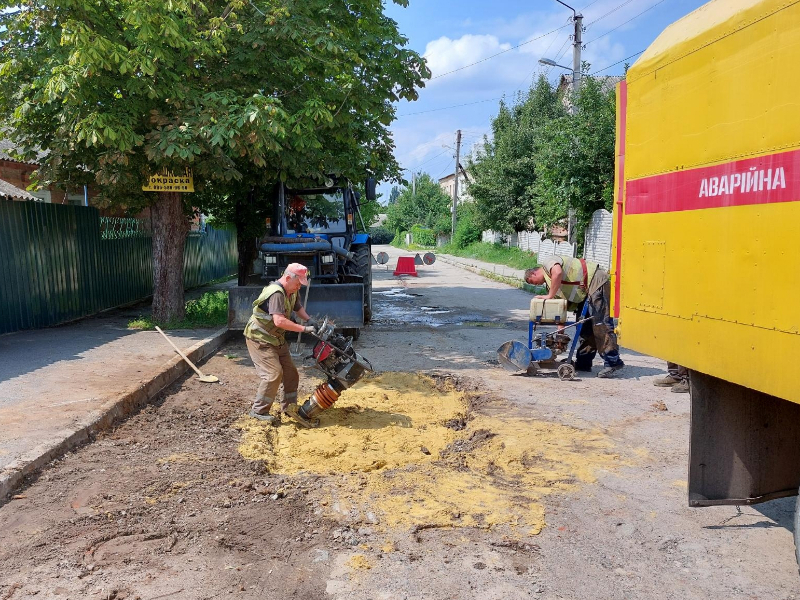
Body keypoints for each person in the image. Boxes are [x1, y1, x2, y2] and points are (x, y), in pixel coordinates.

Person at [524, 256, 625, 378]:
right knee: (584, 328)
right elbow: (560, 311)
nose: (535, 285)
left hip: (595, 281)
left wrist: (549, 296)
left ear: (534, 273)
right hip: (585, 291)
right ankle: (583, 363)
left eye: (532, 281)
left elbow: (558, 272)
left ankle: (613, 361)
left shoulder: (548, 263)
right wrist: (560, 335)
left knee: (601, 325)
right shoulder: (552, 285)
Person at [243, 263, 317, 424]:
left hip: (276, 338)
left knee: (291, 374)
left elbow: (297, 307)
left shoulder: (292, 291)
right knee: (273, 374)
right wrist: (304, 328)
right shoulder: (276, 293)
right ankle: (259, 411)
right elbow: (279, 321)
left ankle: (289, 408)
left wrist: (309, 319)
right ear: (288, 278)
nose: (299, 287)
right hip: (260, 338)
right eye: (298, 283)